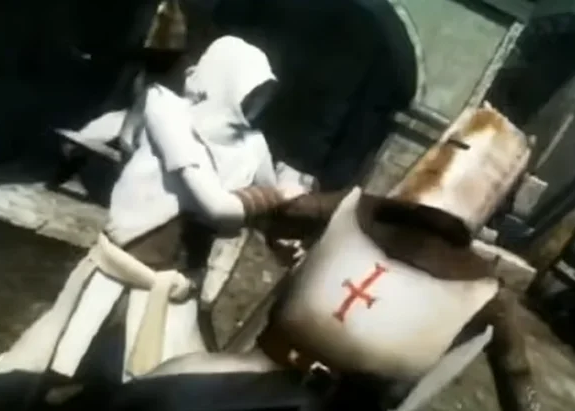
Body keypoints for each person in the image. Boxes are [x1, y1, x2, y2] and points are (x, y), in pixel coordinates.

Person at [103, 103, 542, 411]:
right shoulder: (356, 209)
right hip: (253, 370)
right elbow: (519, 379)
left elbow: (285, 210)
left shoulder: (485, 293)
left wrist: (268, 212)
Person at [0, 35, 306, 411]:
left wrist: (284, 236)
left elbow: (269, 213)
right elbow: (219, 208)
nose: (254, 102)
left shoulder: (252, 146)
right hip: (113, 274)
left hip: (174, 291)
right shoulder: (167, 111)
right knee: (45, 360)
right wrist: (276, 195)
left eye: (262, 93)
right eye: (250, 90)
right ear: (224, 81)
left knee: (173, 384)